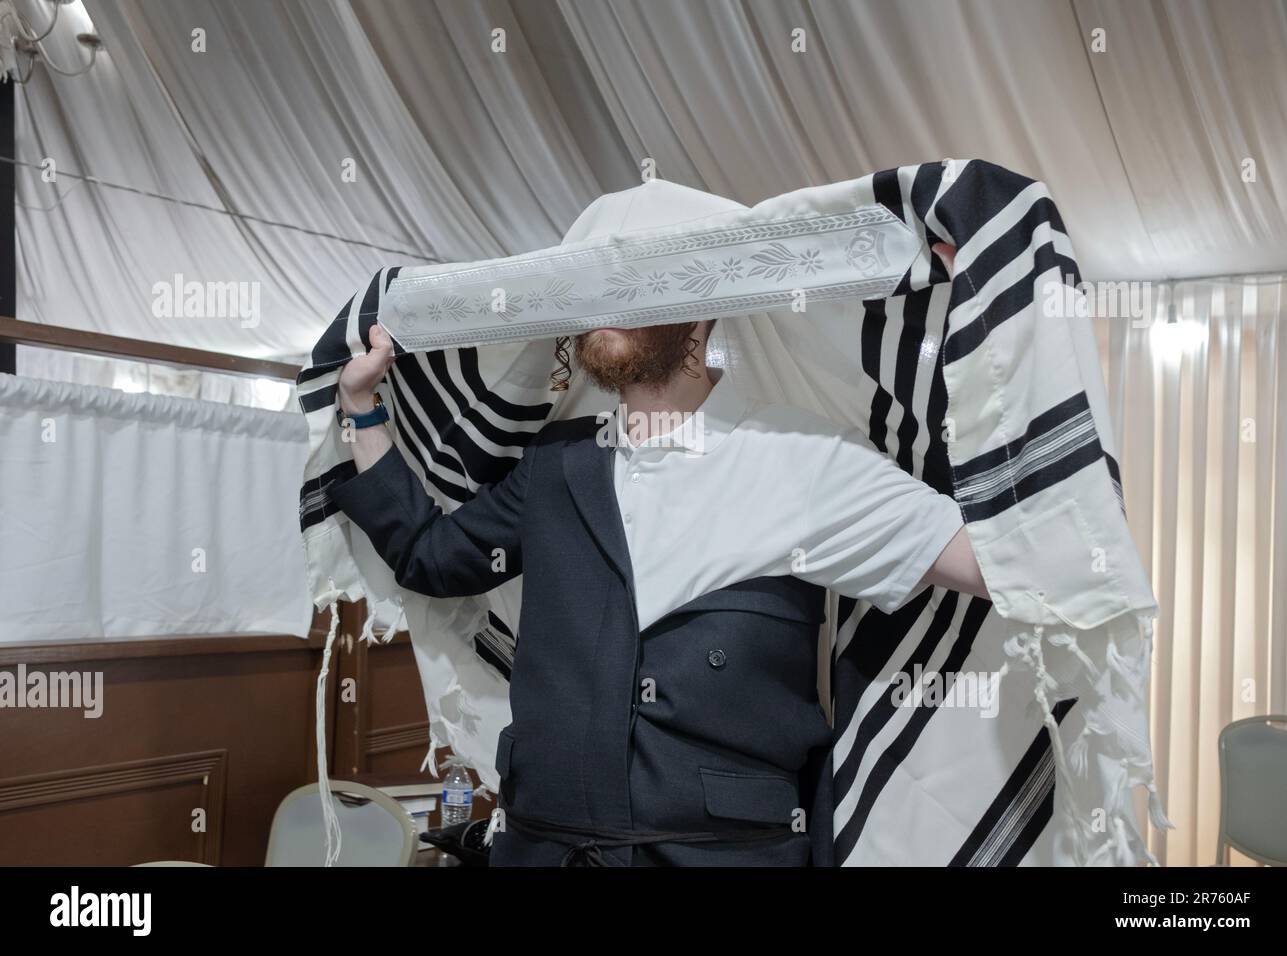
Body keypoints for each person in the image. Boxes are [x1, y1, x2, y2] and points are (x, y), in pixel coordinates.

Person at [328, 244, 989, 866]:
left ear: (703, 309)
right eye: (595, 283)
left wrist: (991, 321)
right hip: (541, 850)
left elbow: (998, 563)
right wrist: (361, 406)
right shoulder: (556, 464)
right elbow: (429, 558)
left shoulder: (805, 458)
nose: (607, 300)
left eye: (637, 279)